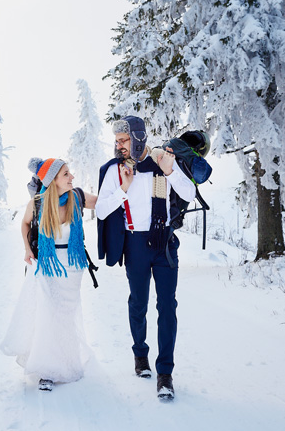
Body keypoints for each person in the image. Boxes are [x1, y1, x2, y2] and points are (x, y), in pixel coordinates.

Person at [95, 116, 196, 400]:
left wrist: (171, 172)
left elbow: (190, 192)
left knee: (167, 306)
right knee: (138, 303)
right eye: (116, 141)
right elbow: (102, 211)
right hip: (135, 245)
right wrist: (123, 189)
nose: (119, 145)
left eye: (123, 140)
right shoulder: (115, 170)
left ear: (138, 137)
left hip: (164, 242)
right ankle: (140, 355)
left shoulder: (162, 160)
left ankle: (165, 374)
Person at [0, 158, 97, 391]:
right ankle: (47, 372)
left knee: (64, 316)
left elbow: (104, 204)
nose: (71, 177)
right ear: (53, 180)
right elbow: (24, 225)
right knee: (49, 316)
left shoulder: (77, 197)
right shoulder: (38, 203)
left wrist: (125, 187)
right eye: (66, 174)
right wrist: (26, 249)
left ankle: (66, 363)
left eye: (70, 173)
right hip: (48, 266)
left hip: (72, 266)